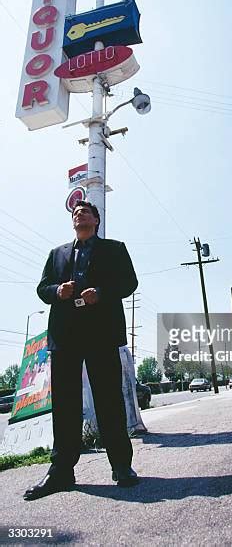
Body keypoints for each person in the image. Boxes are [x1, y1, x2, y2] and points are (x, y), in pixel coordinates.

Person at [24, 201, 139, 500]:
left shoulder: (114, 249)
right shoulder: (57, 254)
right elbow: (42, 288)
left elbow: (129, 282)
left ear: (97, 220)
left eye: (85, 211)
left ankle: (121, 466)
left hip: (101, 332)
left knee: (109, 400)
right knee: (64, 404)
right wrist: (56, 291)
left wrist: (101, 293)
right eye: (75, 213)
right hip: (66, 335)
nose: (79, 215)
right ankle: (61, 471)